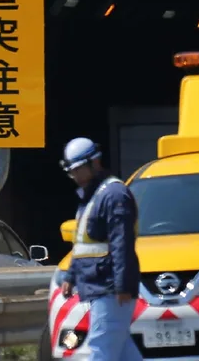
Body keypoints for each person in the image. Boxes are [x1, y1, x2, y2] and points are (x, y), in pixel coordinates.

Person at [58, 137, 141, 361]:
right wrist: (71, 275)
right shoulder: (92, 197)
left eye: (77, 170)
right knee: (123, 353)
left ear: (94, 163)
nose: (74, 176)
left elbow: (121, 243)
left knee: (100, 350)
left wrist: (122, 285)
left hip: (110, 287)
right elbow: (83, 245)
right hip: (99, 285)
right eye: (70, 171)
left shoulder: (114, 195)